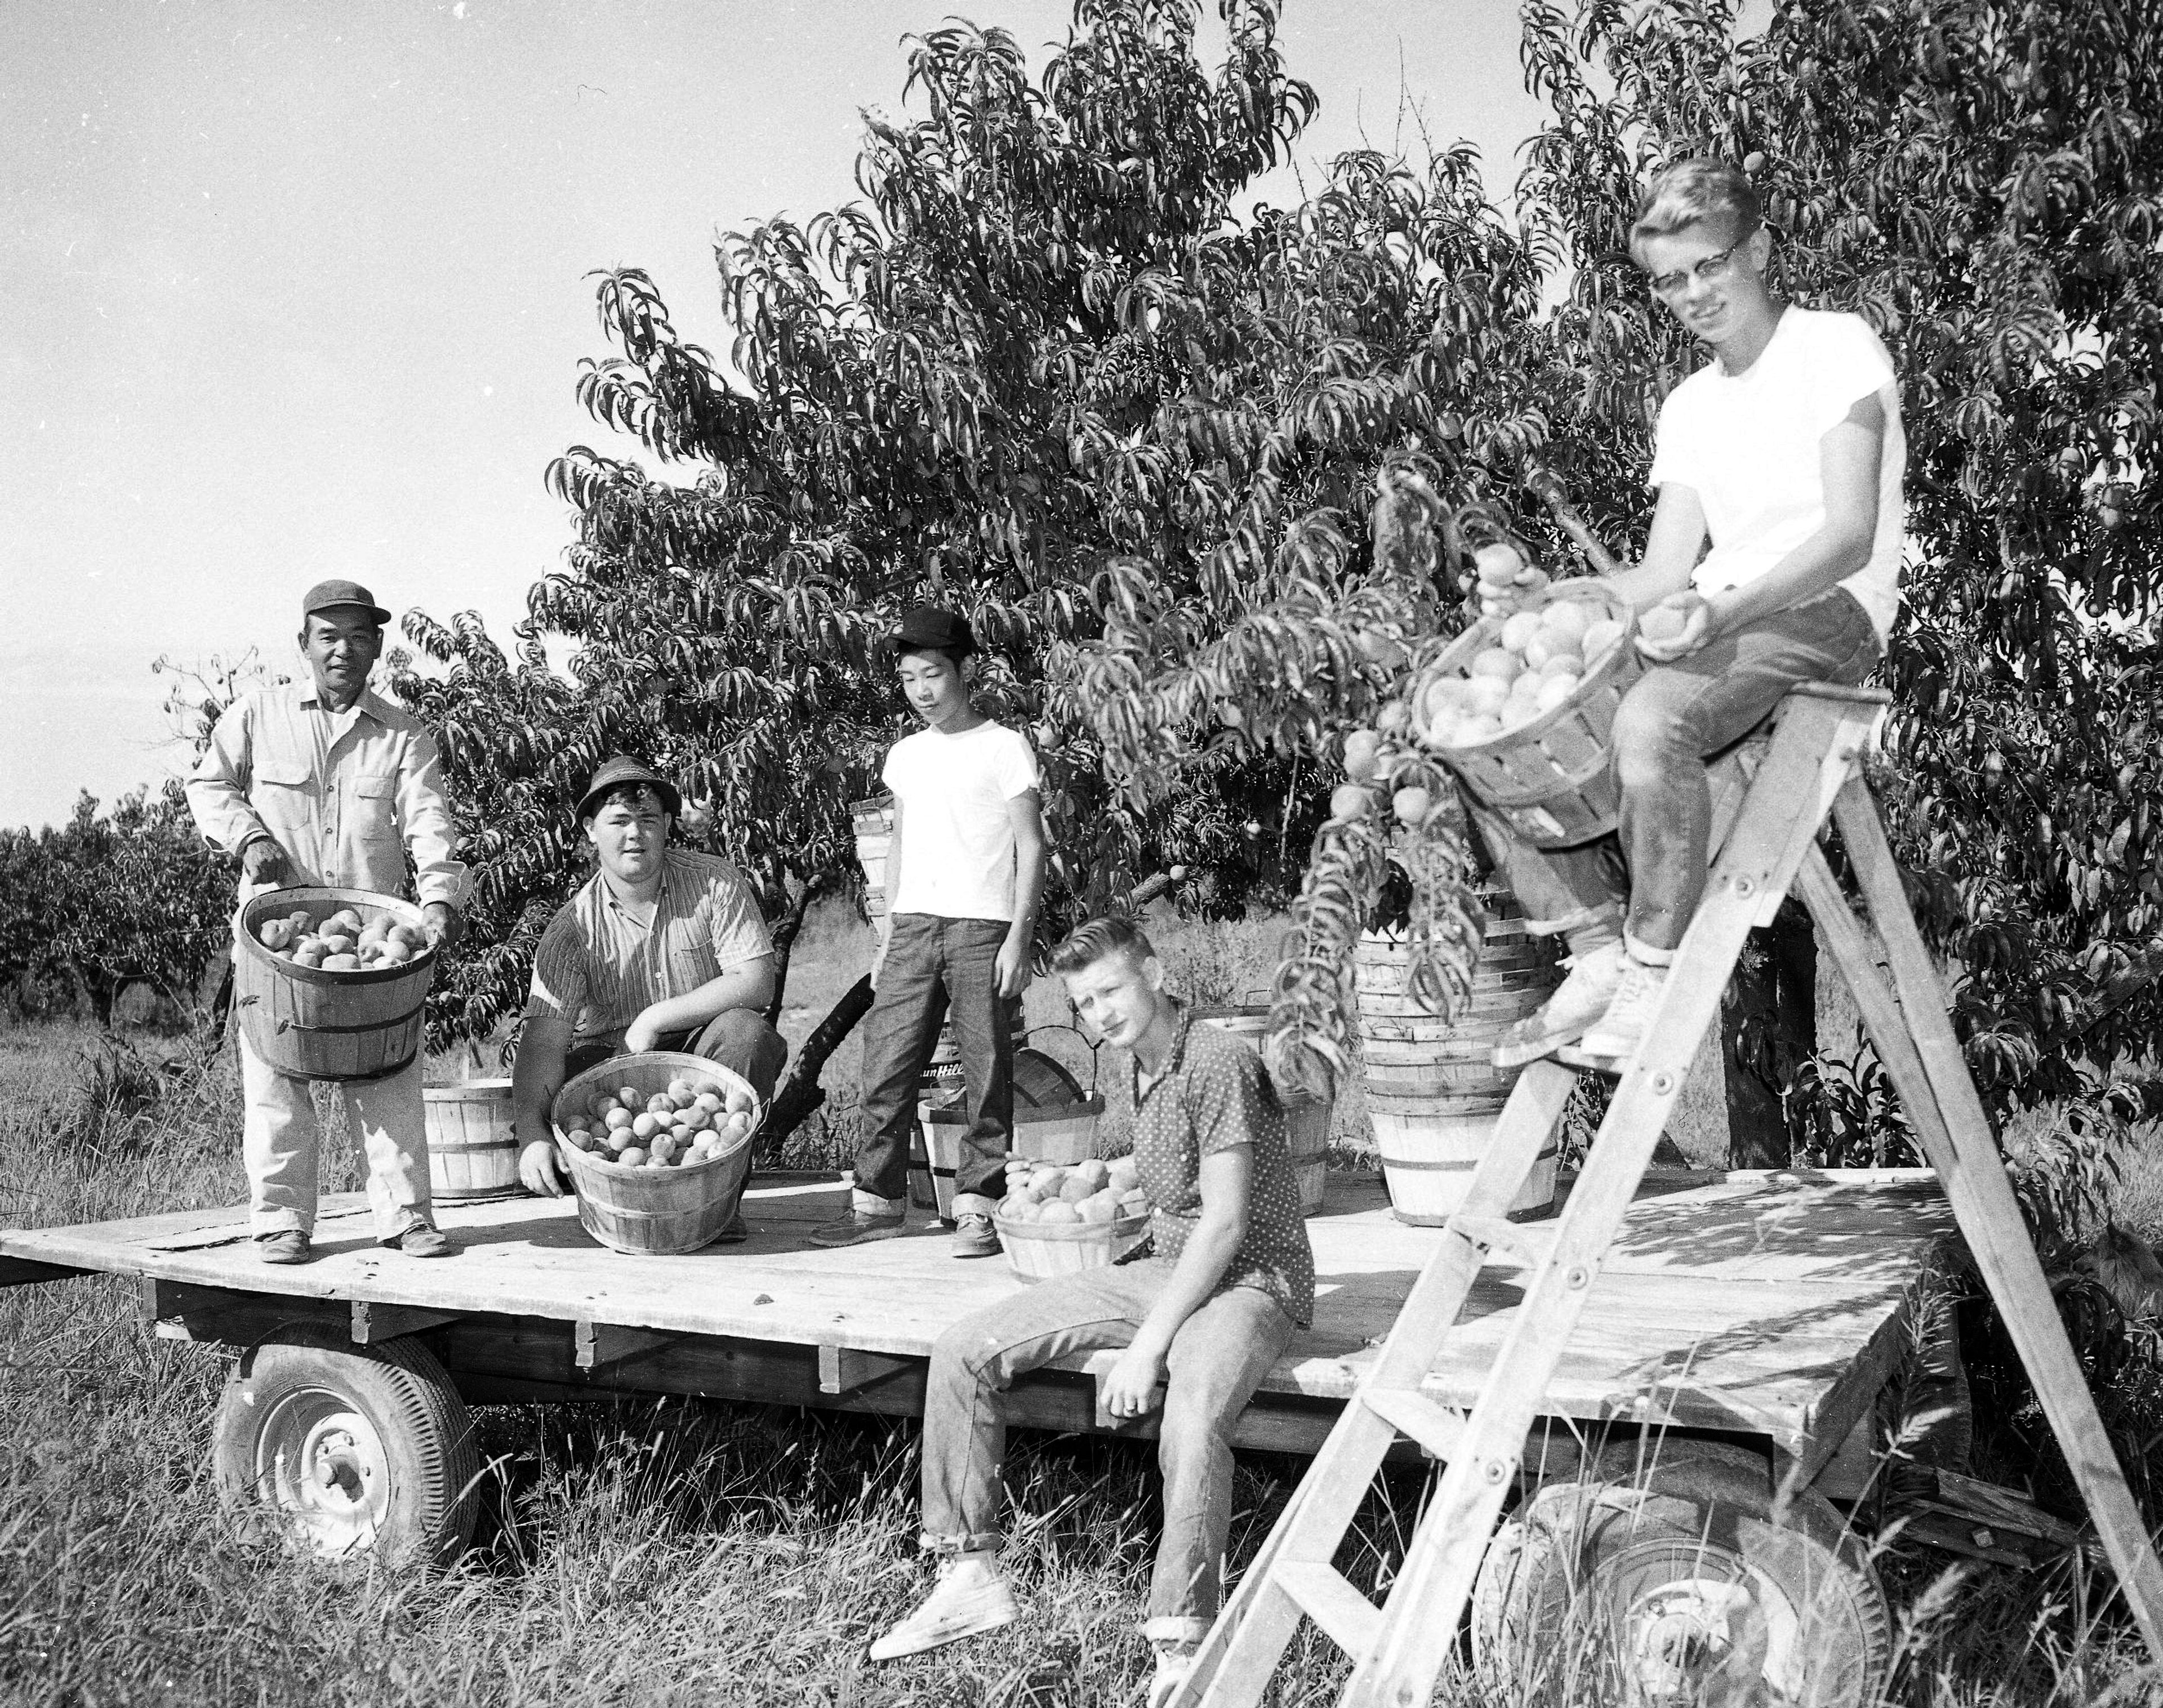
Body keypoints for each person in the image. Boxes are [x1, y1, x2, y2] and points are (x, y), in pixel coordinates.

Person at [1486, 157, 1905, 1068]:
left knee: (1650, 718)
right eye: (1669, 280)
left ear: (1755, 248)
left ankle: (1651, 962)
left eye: (1708, 265)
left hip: (1830, 609)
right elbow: (1662, 570)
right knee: (1507, 726)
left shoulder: (1834, 347)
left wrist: (1720, 613)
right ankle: (1596, 947)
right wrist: (1546, 601)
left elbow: (1849, 532)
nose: (1691, 293)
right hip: (1729, 613)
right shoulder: (1689, 407)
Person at [869, 916, 1313, 1706]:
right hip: (1170, 1263)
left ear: (1153, 968)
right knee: (968, 1347)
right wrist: (1083, 1170)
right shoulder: (1142, 1059)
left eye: (1111, 989)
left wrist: (1148, 1346)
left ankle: (1184, 1643)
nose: (1101, 1012)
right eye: (1085, 1001)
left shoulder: (1216, 1059)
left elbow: (1226, 1222)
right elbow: (1175, 1171)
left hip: (1251, 1278)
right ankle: (968, 1571)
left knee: (1192, 1410)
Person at [186, 579, 468, 1264]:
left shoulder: (402, 733)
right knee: (277, 1079)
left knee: (388, 1069)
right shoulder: (259, 713)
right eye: (329, 636)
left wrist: (440, 900)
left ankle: (406, 1217)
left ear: (377, 647)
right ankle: (282, 1220)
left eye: (359, 636)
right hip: (274, 935)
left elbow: (430, 823)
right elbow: (208, 784)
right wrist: (248, 837)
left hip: (372, 939)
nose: (344, 650)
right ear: (304, 644)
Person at [811, 608, 1047, 1257]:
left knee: (987, 1069)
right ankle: (877, 1204)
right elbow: (902, 840)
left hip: (982, 928)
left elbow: (1033, 846)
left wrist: (1019, 940)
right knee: (887, 1065)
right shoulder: (905, 756)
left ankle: (979, 1206)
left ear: (965, 670)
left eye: (933, 674)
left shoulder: (1005, 747)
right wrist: (887, 933)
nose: (921, 690)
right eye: (910, 678)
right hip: (913, 926)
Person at [513, 757, 788, 1199]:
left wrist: (654, 1018)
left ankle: (715, 1196)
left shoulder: (713, 881)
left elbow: (756, 981)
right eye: (619, 820)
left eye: (647, 819)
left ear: (665, 823)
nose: (634, 833)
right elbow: (542, 1043)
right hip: (613, 1071)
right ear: (589, 829)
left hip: (701, 1066)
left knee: (745, 1033)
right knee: (576, 1093)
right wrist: (532, 1135)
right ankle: (623, 1197)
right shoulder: (572, 929)